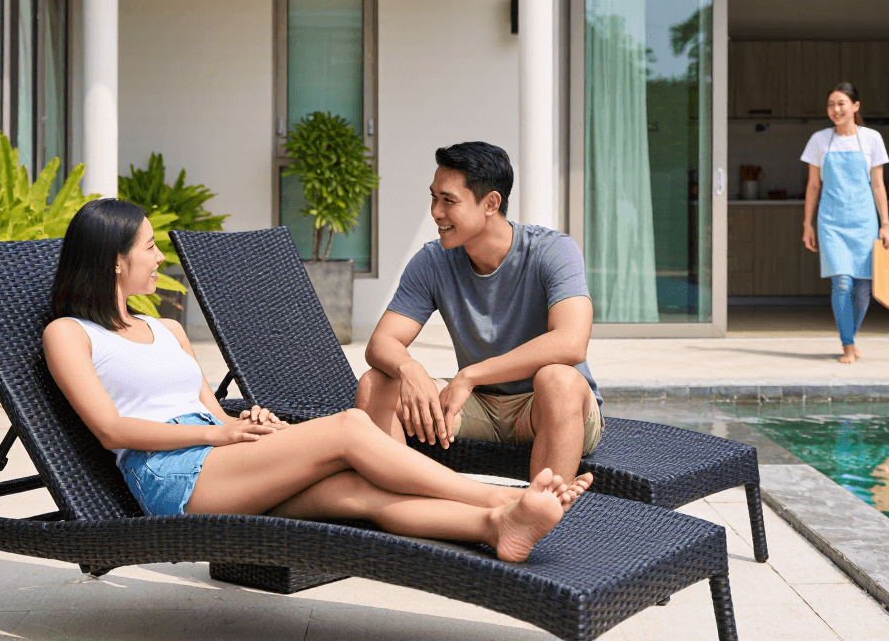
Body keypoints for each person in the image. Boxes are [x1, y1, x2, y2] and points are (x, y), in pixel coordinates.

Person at [42, 198, 591, 563]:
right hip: (172, 478)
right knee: (352, 427)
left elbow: (211, 410)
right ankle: (502, 497)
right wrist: (217, 435)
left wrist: (243, 424)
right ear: (115, 262)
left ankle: (498, 526)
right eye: (149, 247)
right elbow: (112, 429)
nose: (159, 257)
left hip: (223, 463)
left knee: (361, 495)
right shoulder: (70, 333)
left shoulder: (165, 330)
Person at [355, 142, 602, 482]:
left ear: (490, 203)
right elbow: (381, 343)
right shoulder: (432, 261)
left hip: (547, 407)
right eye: (434, 197)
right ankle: (402, 507)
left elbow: (570, 343)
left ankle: (542, 515)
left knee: (558, 378)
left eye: (448, 200)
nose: (435, 212)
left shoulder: (553, 251)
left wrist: (471, 375)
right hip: (479, 407)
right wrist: (409, 368)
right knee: (375, 384)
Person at [800, 83, 889, 365]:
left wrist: (885, 225)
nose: (835, 109)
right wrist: (808, 224)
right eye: (830, 104)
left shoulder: (872, 139)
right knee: (842, 282)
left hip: (864, 221)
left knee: (864, 287)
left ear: (856, 106)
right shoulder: (819, 140)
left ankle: (851, 333)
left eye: (841, 103)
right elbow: (813, 185)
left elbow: (878, 185)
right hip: (831, 222)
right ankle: (848, 345)